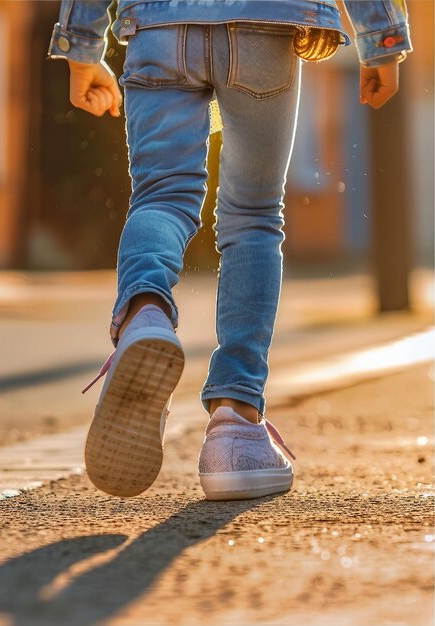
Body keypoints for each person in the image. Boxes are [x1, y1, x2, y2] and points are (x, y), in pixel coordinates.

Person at [48, 0, 412, 501]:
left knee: (162, 195)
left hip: (159, 26)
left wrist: (81, 47)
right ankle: (235, 424)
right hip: (265, 24)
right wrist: (383, 40)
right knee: (253, 216)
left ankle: (145, 313)